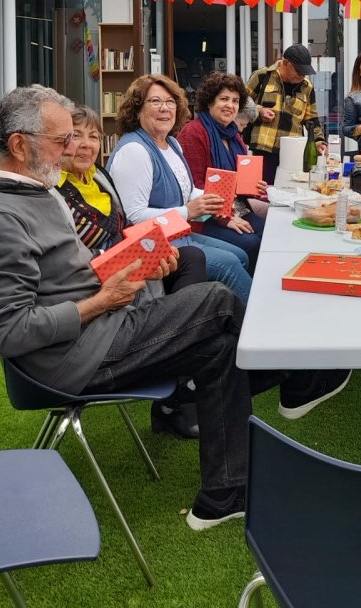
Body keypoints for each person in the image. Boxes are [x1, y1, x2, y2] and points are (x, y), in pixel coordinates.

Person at [0, 85, 351, 531]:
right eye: (61, 140)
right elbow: (13, 331)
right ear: (19, 145)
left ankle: (223, 495)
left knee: (219, 347)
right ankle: (300, 376)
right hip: (71, 359)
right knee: (217, 301)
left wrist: (133, 268)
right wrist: (101, 300)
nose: (72, 149)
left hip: (97, 334)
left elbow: (63, 278)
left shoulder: (35, 191)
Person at [56, 104, 207, 439]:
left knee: (192, 257)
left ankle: (181, 361)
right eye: (75, 136)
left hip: (128, 258)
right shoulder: (57, 191)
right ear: (59, 142)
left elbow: (123, 227)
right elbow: (81, 253)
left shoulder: (99, 177)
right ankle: (181, 386)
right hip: (101, 280)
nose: (86, 144)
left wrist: (148, 249)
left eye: (93, 136)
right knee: (211, 290)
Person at [106, 74, 253, 305]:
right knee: (230, 264)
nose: (164, 108)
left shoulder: (172, 143)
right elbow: (134, 217)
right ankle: (252, 327)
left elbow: (188, 190)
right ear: (137, 109)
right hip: (151, 244)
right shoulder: (134, 150)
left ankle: (223, 318)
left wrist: (214, 200)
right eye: (155, 102)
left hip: (177, 234)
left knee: (241, 255)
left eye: (170, 102)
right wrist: (188, 211)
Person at [177, 73, 265, 272]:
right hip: (205, 217)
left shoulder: (233, 134)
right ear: (209, 102)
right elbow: (196, 186)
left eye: (235, 101)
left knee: (270, 232)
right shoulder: (194, 132)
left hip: (237, 207)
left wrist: (253, 187)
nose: (230, 106)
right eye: (224, 99)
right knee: (251, 243)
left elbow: (240, 182)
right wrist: (226, 218)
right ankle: (249, 297)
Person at [245, 44, 326, 183]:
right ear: (285, 63)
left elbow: (312, 119)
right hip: (263, 148)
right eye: (298, 71)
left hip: (293, 151)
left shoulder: (307, 87)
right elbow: (242, 102)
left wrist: (319, 141)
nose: (302, 75)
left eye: (305, 72)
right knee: (262, 192)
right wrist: (259, 110)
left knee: (290, 190)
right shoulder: (262, 76)